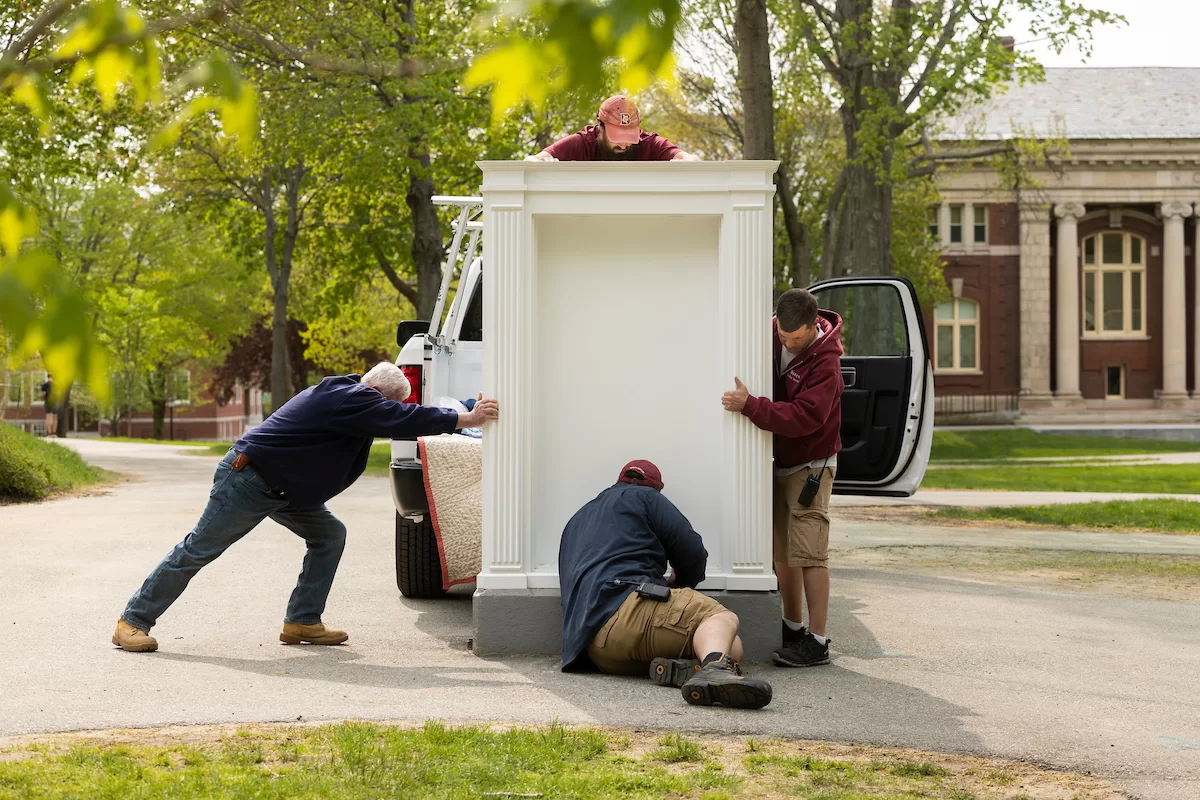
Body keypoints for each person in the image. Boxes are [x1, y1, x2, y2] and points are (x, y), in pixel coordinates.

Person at [112, 362, 499, 653]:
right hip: (250, 480)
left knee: (329, 534)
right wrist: (464, 419)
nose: (390, 411)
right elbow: (399, 418)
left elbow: (401, 417)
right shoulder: (351, 398)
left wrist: (465, 409)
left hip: (285, 489)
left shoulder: (352, 398)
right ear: (379, 393)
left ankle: (301, 622)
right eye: (392, 404)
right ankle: (132, 621)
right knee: (198, 549)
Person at [558, 460, 772, 709]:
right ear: (656, 488)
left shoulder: (577, 518)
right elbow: (692, 552)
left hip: (595, 649)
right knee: (721, 618)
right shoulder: (646, 497)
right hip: (627, 610)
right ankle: (713, 671)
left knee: (730, 647)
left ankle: (691, 670)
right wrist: (680, 585)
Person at [721, 289, 843, 668]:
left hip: (811, 465)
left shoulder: (826, 363)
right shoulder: (773, 332)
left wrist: (751, 407)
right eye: (782, 335)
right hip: (779, 461)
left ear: (811, 327)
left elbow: (806, 417)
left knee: (810, 553)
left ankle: (818, 642)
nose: (786, 342)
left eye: (793, 337)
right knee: (783, 555)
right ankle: (793, 628)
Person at [526, 95, 700, 162]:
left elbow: (691, 159)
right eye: (617, 137)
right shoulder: (583, 142)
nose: (624, 145)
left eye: (629, 137)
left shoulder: (649, 143)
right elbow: (532, 160)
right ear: (600, 127)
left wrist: (688, 161)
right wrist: (544, 163)